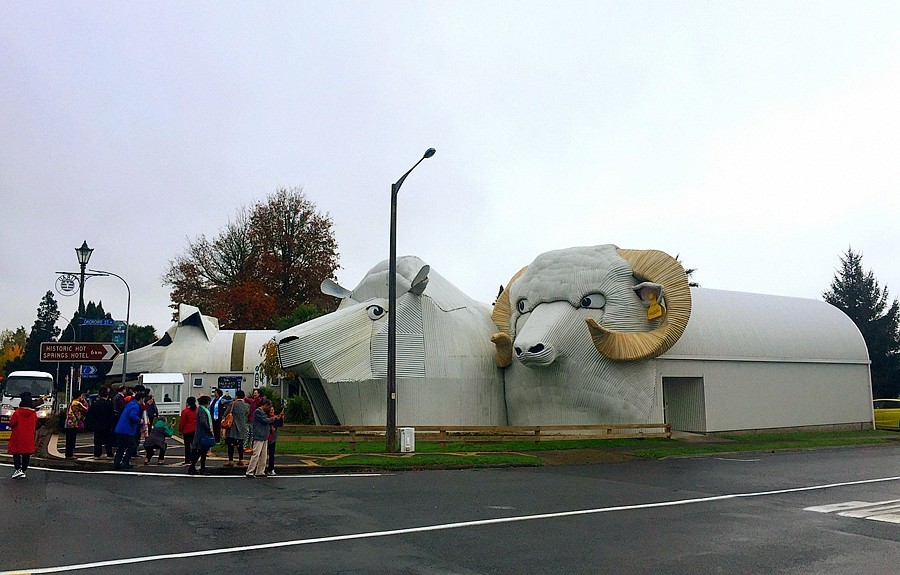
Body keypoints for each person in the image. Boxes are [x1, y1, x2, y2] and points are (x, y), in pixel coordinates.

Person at [7, 392, 37, 479]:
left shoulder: (17, 412)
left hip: (18, 435)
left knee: (16, 452)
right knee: (26, 453)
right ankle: (23, 470)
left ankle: (18, 469)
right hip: (29, 436)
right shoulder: (33, 413)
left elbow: (12, 423)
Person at [246, 398, 278, 478]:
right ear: (265, 405)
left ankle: (260, 471)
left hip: (264, 436)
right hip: (259, 436)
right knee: (256, 454)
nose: (269, 409)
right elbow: (265, 420)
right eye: (269, 407)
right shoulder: (258, 412)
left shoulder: (263, 412)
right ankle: (250, 471)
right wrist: (273, 418)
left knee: (263, 455)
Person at [113, 392, 145, 470]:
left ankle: (117, 463)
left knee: (122, 447)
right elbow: (132, 416)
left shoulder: (130, 404)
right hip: (127, 430)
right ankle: (125, 462)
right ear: (141, 399)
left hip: (120, 428)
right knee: (132, 445)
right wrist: (140, 420)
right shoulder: (136, 406)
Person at [86, 385, 115, 459]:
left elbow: (90, 414)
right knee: (108, 440)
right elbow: (112, 415)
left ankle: (97, 454)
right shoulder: (109, 404)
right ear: (107, 395)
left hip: (97, 425)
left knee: (97, 440)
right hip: (107, 425)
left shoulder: (95, 404)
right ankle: (109, 454)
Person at [188, 395, 214, 475]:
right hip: (202, 433)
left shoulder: (202, 409)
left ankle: (196, 468)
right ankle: (196, 468)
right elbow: (203, 421)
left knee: (201, 452)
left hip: (201, 433)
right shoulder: (202, 410)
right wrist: (208, 429)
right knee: (201, 452)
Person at [224, 390, 250, 467]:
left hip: (233, 427)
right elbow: (247, 414)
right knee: (240, 444)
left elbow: (226, 413)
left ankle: (231, 460)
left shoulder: (233, 404)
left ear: (236, 396)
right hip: (242, 427)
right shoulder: (246, 405)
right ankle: (241, 460)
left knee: (231, 444)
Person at [64, 389, 89, 460]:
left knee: (69, 439)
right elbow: (86, 409)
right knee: (72, 439)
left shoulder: (72, 402)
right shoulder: (77, 403)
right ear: (79, 396)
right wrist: (85, 401)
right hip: (73, 423)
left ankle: (68, 454)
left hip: (68, 423)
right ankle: (70, 454)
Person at [265, 402, 285, 476]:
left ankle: (271, 469)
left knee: (272, 454)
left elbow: (280, 424)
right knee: (263, 454)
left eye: (273, 410)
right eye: (270, 410)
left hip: (273, 438)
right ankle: (262, 468)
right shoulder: (266, 418)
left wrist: (281, 418)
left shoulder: (276, 418)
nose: (272, 411)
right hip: (266, 438)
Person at [178, 397, 198, 466]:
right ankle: (194, 458)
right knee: (194, 445)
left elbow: (182, 422)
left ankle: (187, 459)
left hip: (187, 430)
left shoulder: (185, 411)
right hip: (195, 430)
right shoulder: (197, 410)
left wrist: (180, 430)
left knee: (187, 446)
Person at [245, 388, 263, 453]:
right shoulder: (254, 401)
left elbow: (253, 401)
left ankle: (252, 447)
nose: (254, 394)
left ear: (259, 394)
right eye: (254, 393)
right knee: (248, 433)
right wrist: (246, 398)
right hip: (251, 419)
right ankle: (247, 446)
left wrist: (246, 398)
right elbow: (250, 400)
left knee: (252, 434)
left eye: (255, 393)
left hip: (254, 420)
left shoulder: (259, 400)